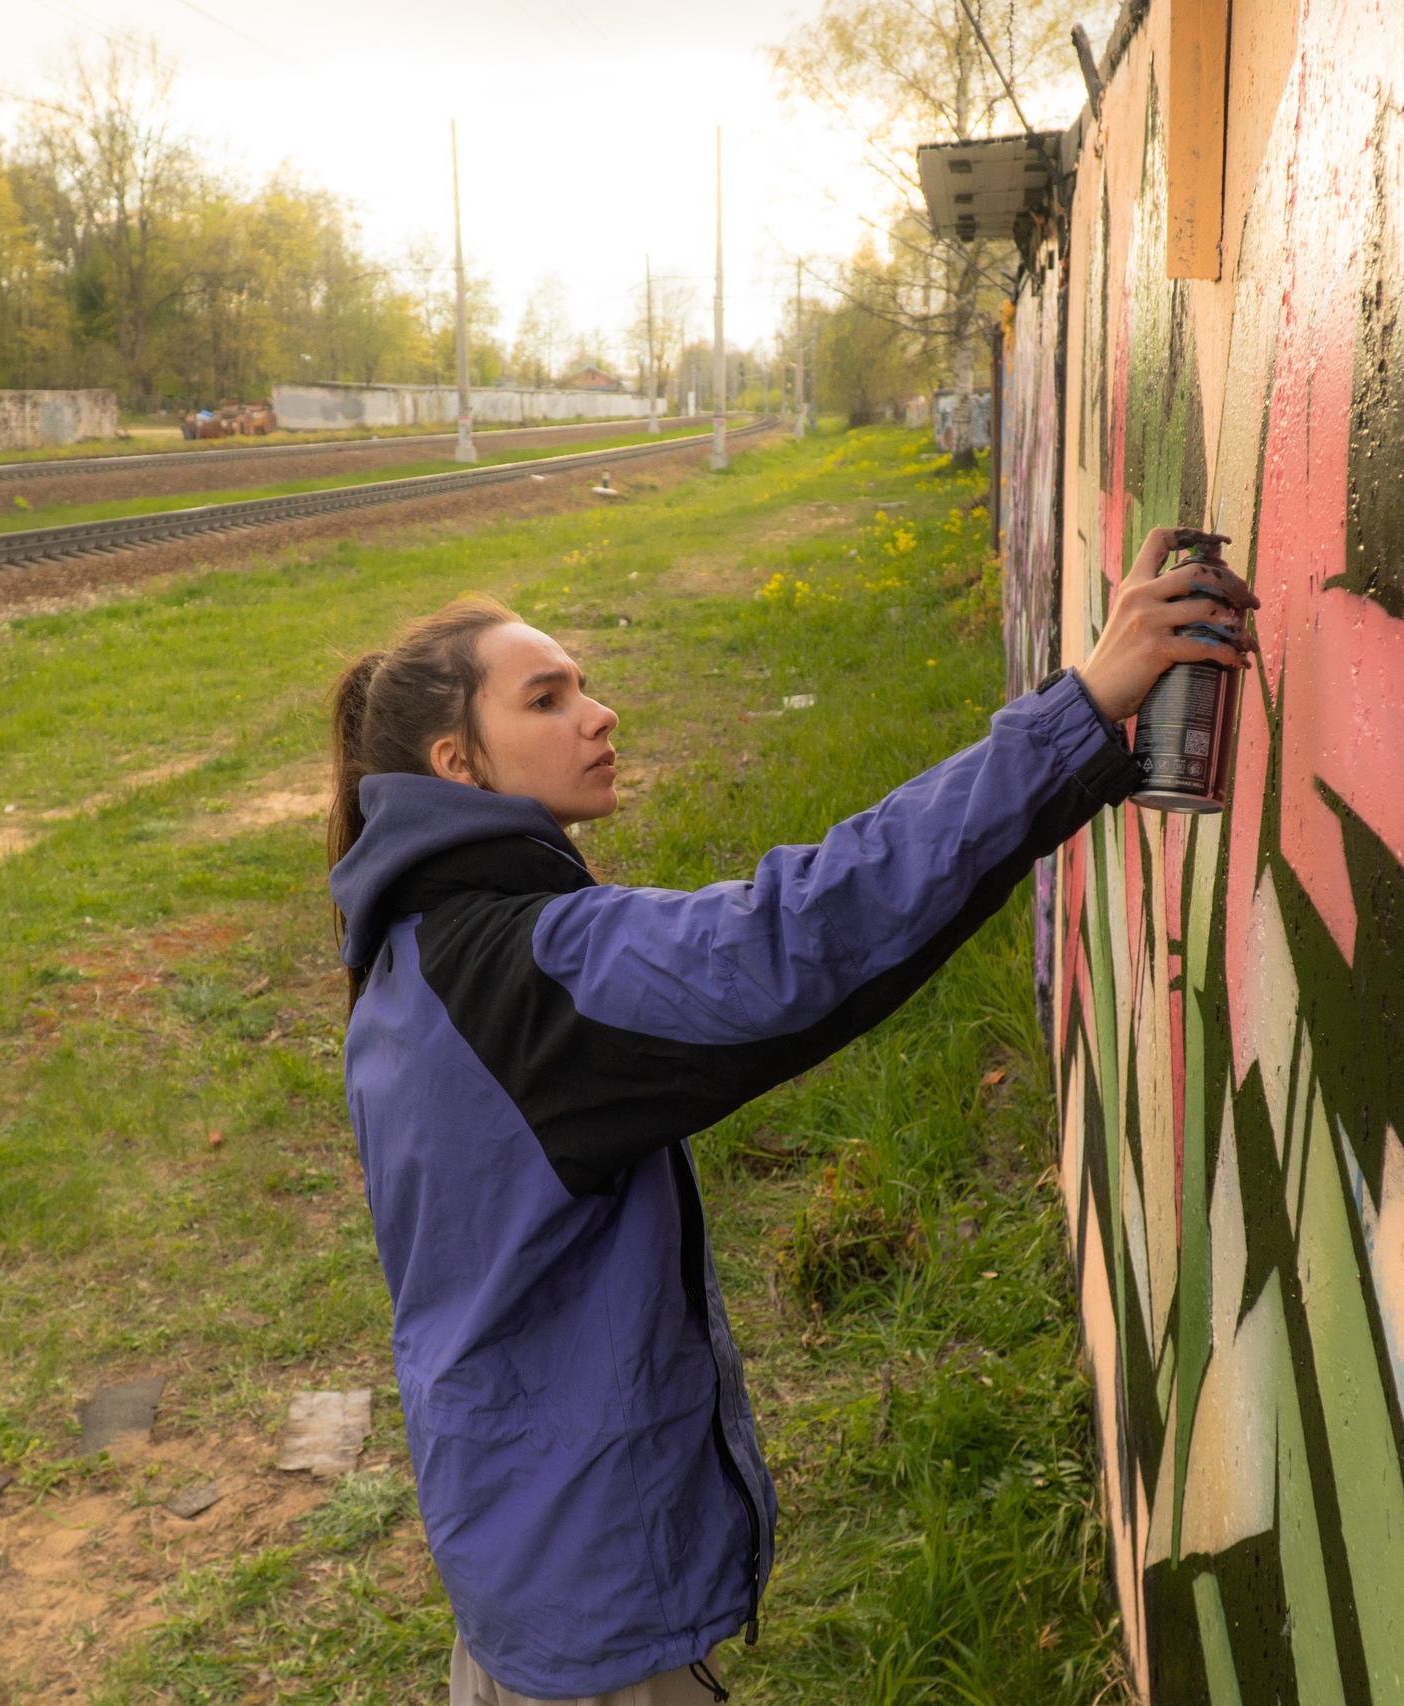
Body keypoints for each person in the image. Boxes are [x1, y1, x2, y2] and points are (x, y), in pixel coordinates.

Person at [324, 526, 1256, 1706]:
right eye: (548, 697)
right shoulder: (522, 975)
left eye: (584, 683)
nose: (598, 713)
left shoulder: (413, 950)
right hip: (585, 1591)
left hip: (521, 1544)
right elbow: (792, 940)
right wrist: (1074, 713)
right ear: (456, 762)